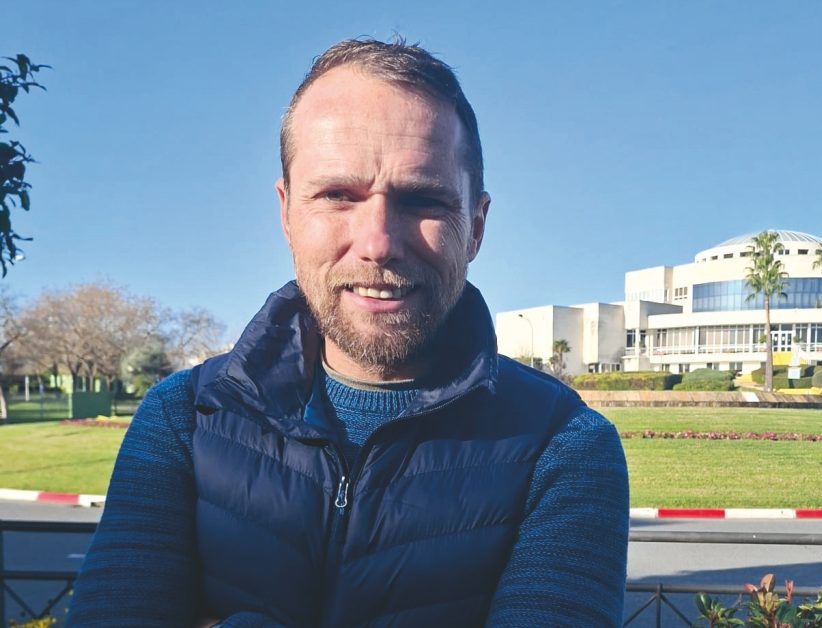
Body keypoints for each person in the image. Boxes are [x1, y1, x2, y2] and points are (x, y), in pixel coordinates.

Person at [68, 38, 629, 627]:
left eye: (422, 199)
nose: (377, 243)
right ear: (287, 213)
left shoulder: (565, 447)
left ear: (476, 227)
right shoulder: (182, 420)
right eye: (337, 195)